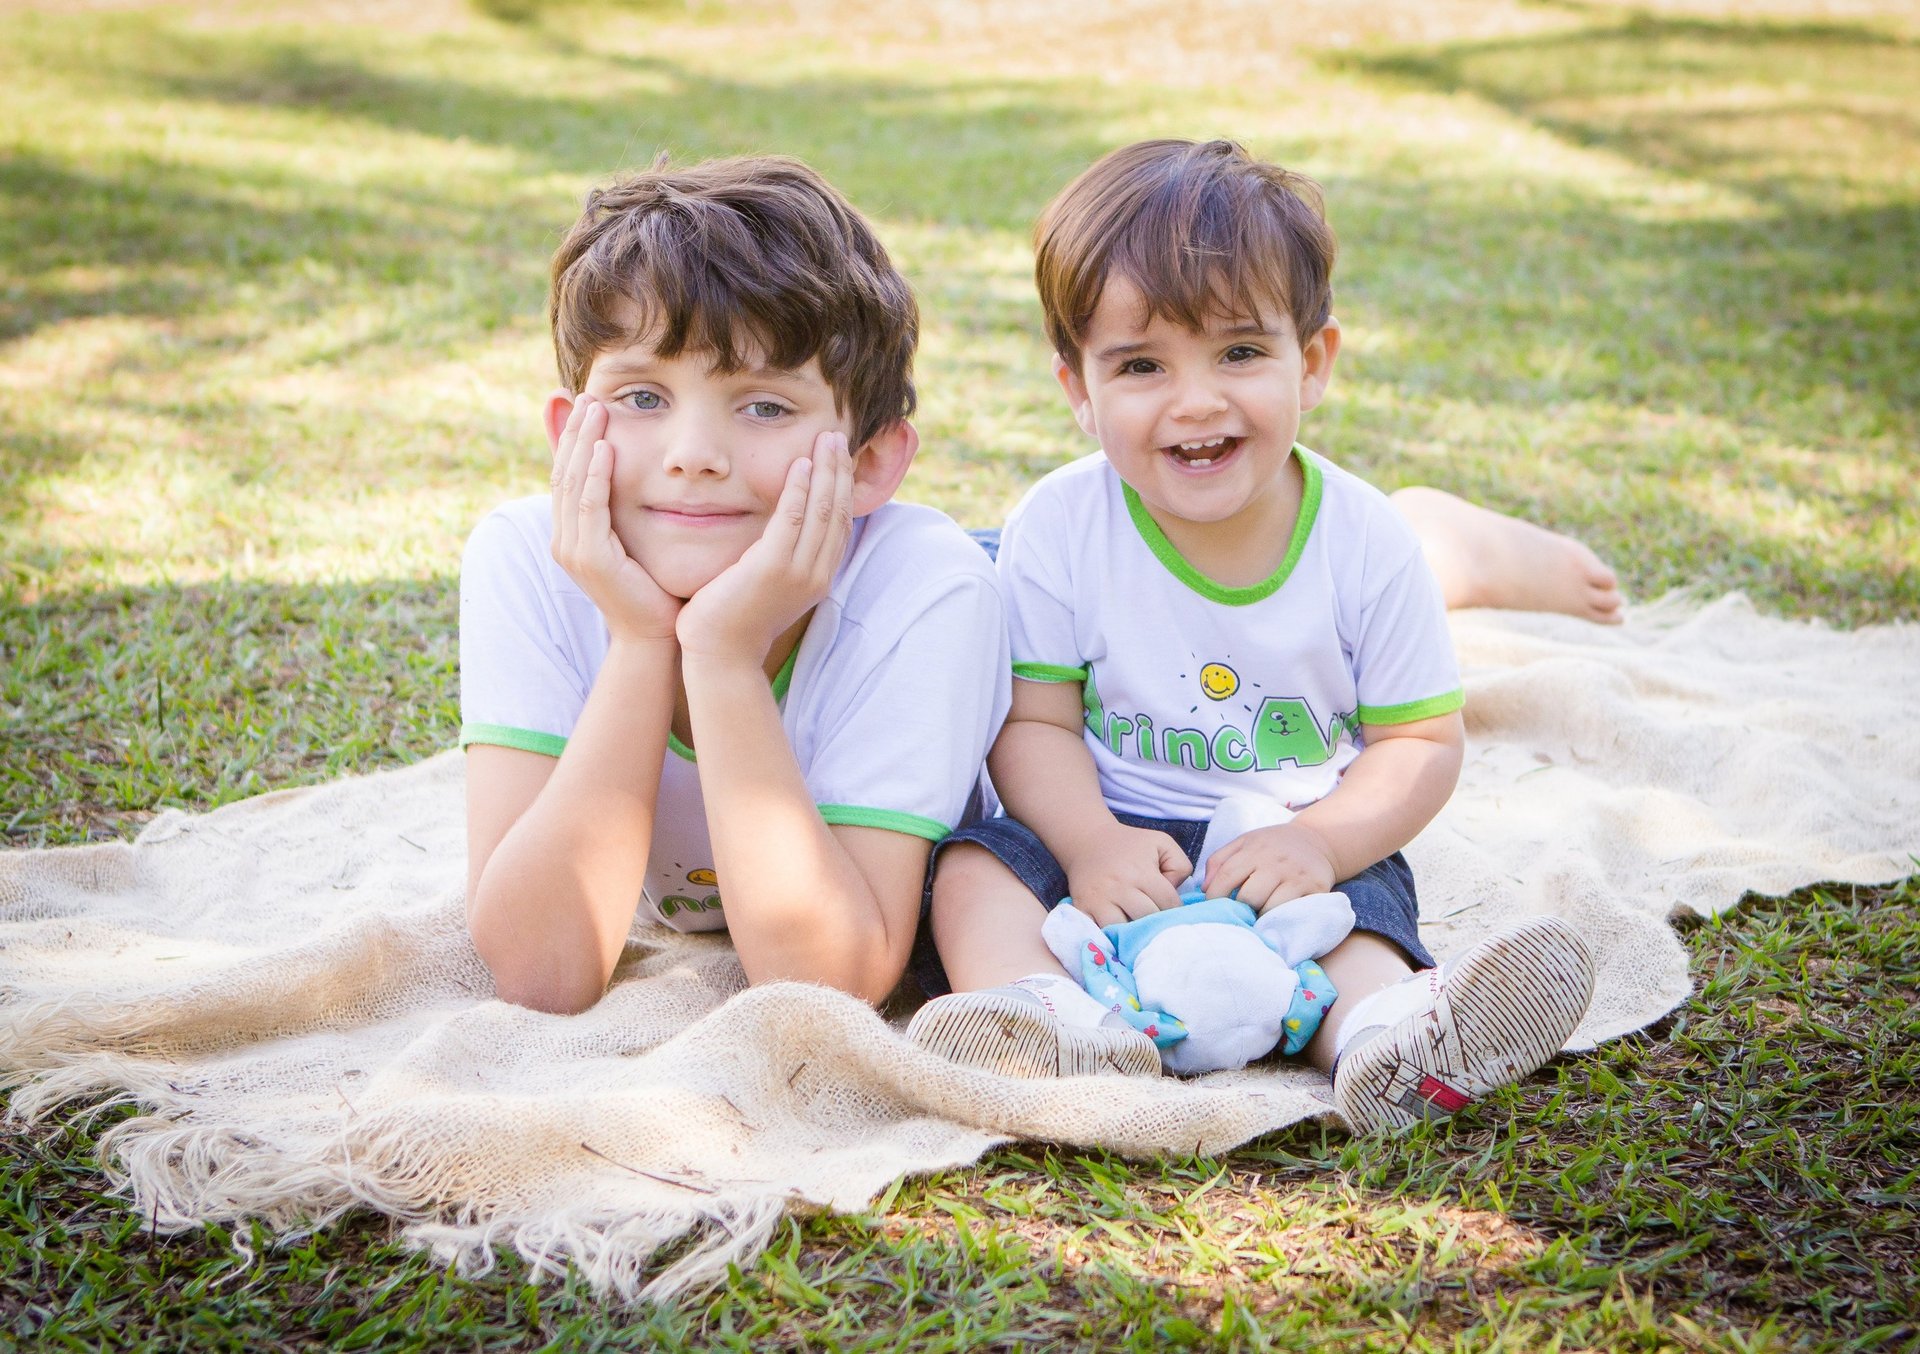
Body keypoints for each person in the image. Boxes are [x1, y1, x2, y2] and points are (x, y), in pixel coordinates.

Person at [908, 139, 1599, 1133]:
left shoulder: (1365, 542)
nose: (1196, 401)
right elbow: (1034, 724)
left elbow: (1419, 742)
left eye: (1239, 352)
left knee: (1360, 911)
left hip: (1292, 831)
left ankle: (1389, 1038)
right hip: (1108, 825)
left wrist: (1321, 840)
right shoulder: (1058, 527)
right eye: (1141, 365)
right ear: (1078, 390)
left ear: (1310, 363)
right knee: (976, 867)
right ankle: (1045, 1020)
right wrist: (1090, 843)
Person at [459, 155, 1009, 1014]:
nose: (693, 455)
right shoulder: (527, 556)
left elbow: (825, 987)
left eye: (764, 407)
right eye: (643, 397)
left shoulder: (930, 591)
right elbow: (543, 975)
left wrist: (722, 658)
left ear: (868, 462)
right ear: (570, 435)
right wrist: (641, 640)